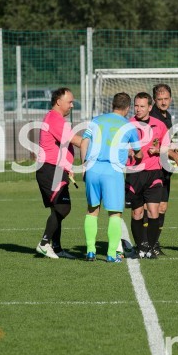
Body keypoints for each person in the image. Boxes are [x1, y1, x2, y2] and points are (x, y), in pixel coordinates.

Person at [81, 92, 141, 262]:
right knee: (115, 214)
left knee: (92, 211)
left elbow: (84, 142)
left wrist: (85, 165)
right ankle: (111, 253)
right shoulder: (129, 126)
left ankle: (91, 251)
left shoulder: (96, 120)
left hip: (93, 168)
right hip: (112, 171)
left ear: (112, 105)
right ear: (128, 108)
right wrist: (136, 154)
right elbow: (139, 153)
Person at [35, 88, 83, 259]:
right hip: (50, 170)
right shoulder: (55, 118)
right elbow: (76, 141)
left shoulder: (55, 118)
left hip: (55, 169)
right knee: (63, 207)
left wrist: (66, 167)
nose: (72, 105)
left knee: (58, 208)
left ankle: (56, 247)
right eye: (69, 102)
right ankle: (44, 243)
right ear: (58, 102)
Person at [125, 92, 170, 259]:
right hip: (134, 174)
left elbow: (166, 146)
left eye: (142, 106)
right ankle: (140, 247)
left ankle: (150, 248)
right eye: (136, 105)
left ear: (150, 107)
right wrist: (127, 151)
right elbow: (118, 146)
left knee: (153, 212)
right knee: (137, 213)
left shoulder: (160, 125)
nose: (138, 109)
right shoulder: (128, 125)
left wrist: (158, 150)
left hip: (154, 173)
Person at [147, 83, 178, 256]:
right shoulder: (152, 117)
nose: (163, 102)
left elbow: (165, 141)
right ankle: (146, 243)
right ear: (154, 100)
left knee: (162, 208)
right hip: (152, 168)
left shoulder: (167, 116)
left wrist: (175, 148)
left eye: (166, 99)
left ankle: (154, 243)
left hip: (165, 169)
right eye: (160, 99)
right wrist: (175, 155)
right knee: (151, 209)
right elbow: (155, 145)